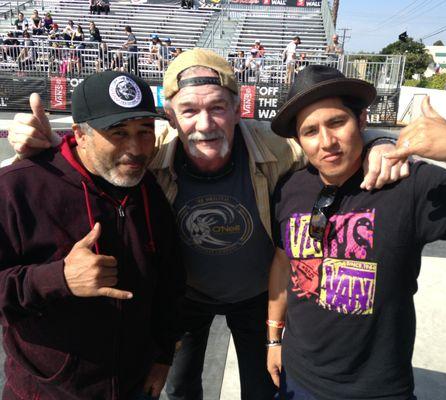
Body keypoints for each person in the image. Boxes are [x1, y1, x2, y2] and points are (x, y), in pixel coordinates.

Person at [6, 49, 408, 400]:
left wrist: (378, 143)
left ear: (238, 110)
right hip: (186, 299)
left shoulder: (273, 146)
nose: (204, 123)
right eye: (189, 111)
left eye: (217, 107)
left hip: (255, 296)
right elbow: (97, 146)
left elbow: (329, 135)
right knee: (179, 389)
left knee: (264, 387)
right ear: (170, 117)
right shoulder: (150, 149)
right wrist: (45, 140)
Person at [266, 65, 446, 400]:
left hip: (376, 389)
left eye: (337, 122)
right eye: (310, 131)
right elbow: (282, 263)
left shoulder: (409, 184)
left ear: (361, 121)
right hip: (298, 378)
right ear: (299, 140)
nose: (326, 142)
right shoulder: (290, 188)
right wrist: (274, 338)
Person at [0, 71, 185, 398]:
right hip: (46, 392)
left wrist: (163, 356)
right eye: (117, 132)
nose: (135, 147)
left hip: (135, 387)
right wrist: (58, 278)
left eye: (145, 131)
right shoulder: (17, 188)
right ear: (79, 134)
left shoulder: (149, 189)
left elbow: (170, 280)